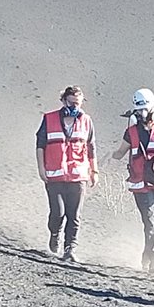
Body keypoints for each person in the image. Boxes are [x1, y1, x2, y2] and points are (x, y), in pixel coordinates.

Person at [112, 88, 154, 274]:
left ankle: (147, 256)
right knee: (150, 222)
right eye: (138, 111)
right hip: (140, 184)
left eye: (144, 110)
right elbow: (121, 152)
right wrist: (111, 155)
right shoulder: (131, 132)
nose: (141, 114)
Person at [36, 85, 98, 262]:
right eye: (71, 103)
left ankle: (70, 249)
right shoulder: (49, 119)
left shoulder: (86, 121)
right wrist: (41, 169)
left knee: (74, 215)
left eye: (78, 103)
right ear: (64, 101)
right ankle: (54, 233)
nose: (75, 107)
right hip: (54, 176)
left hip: (78, 176)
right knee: (58, 213)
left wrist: (94, 171)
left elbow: (91, 147)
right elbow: (40, 145)